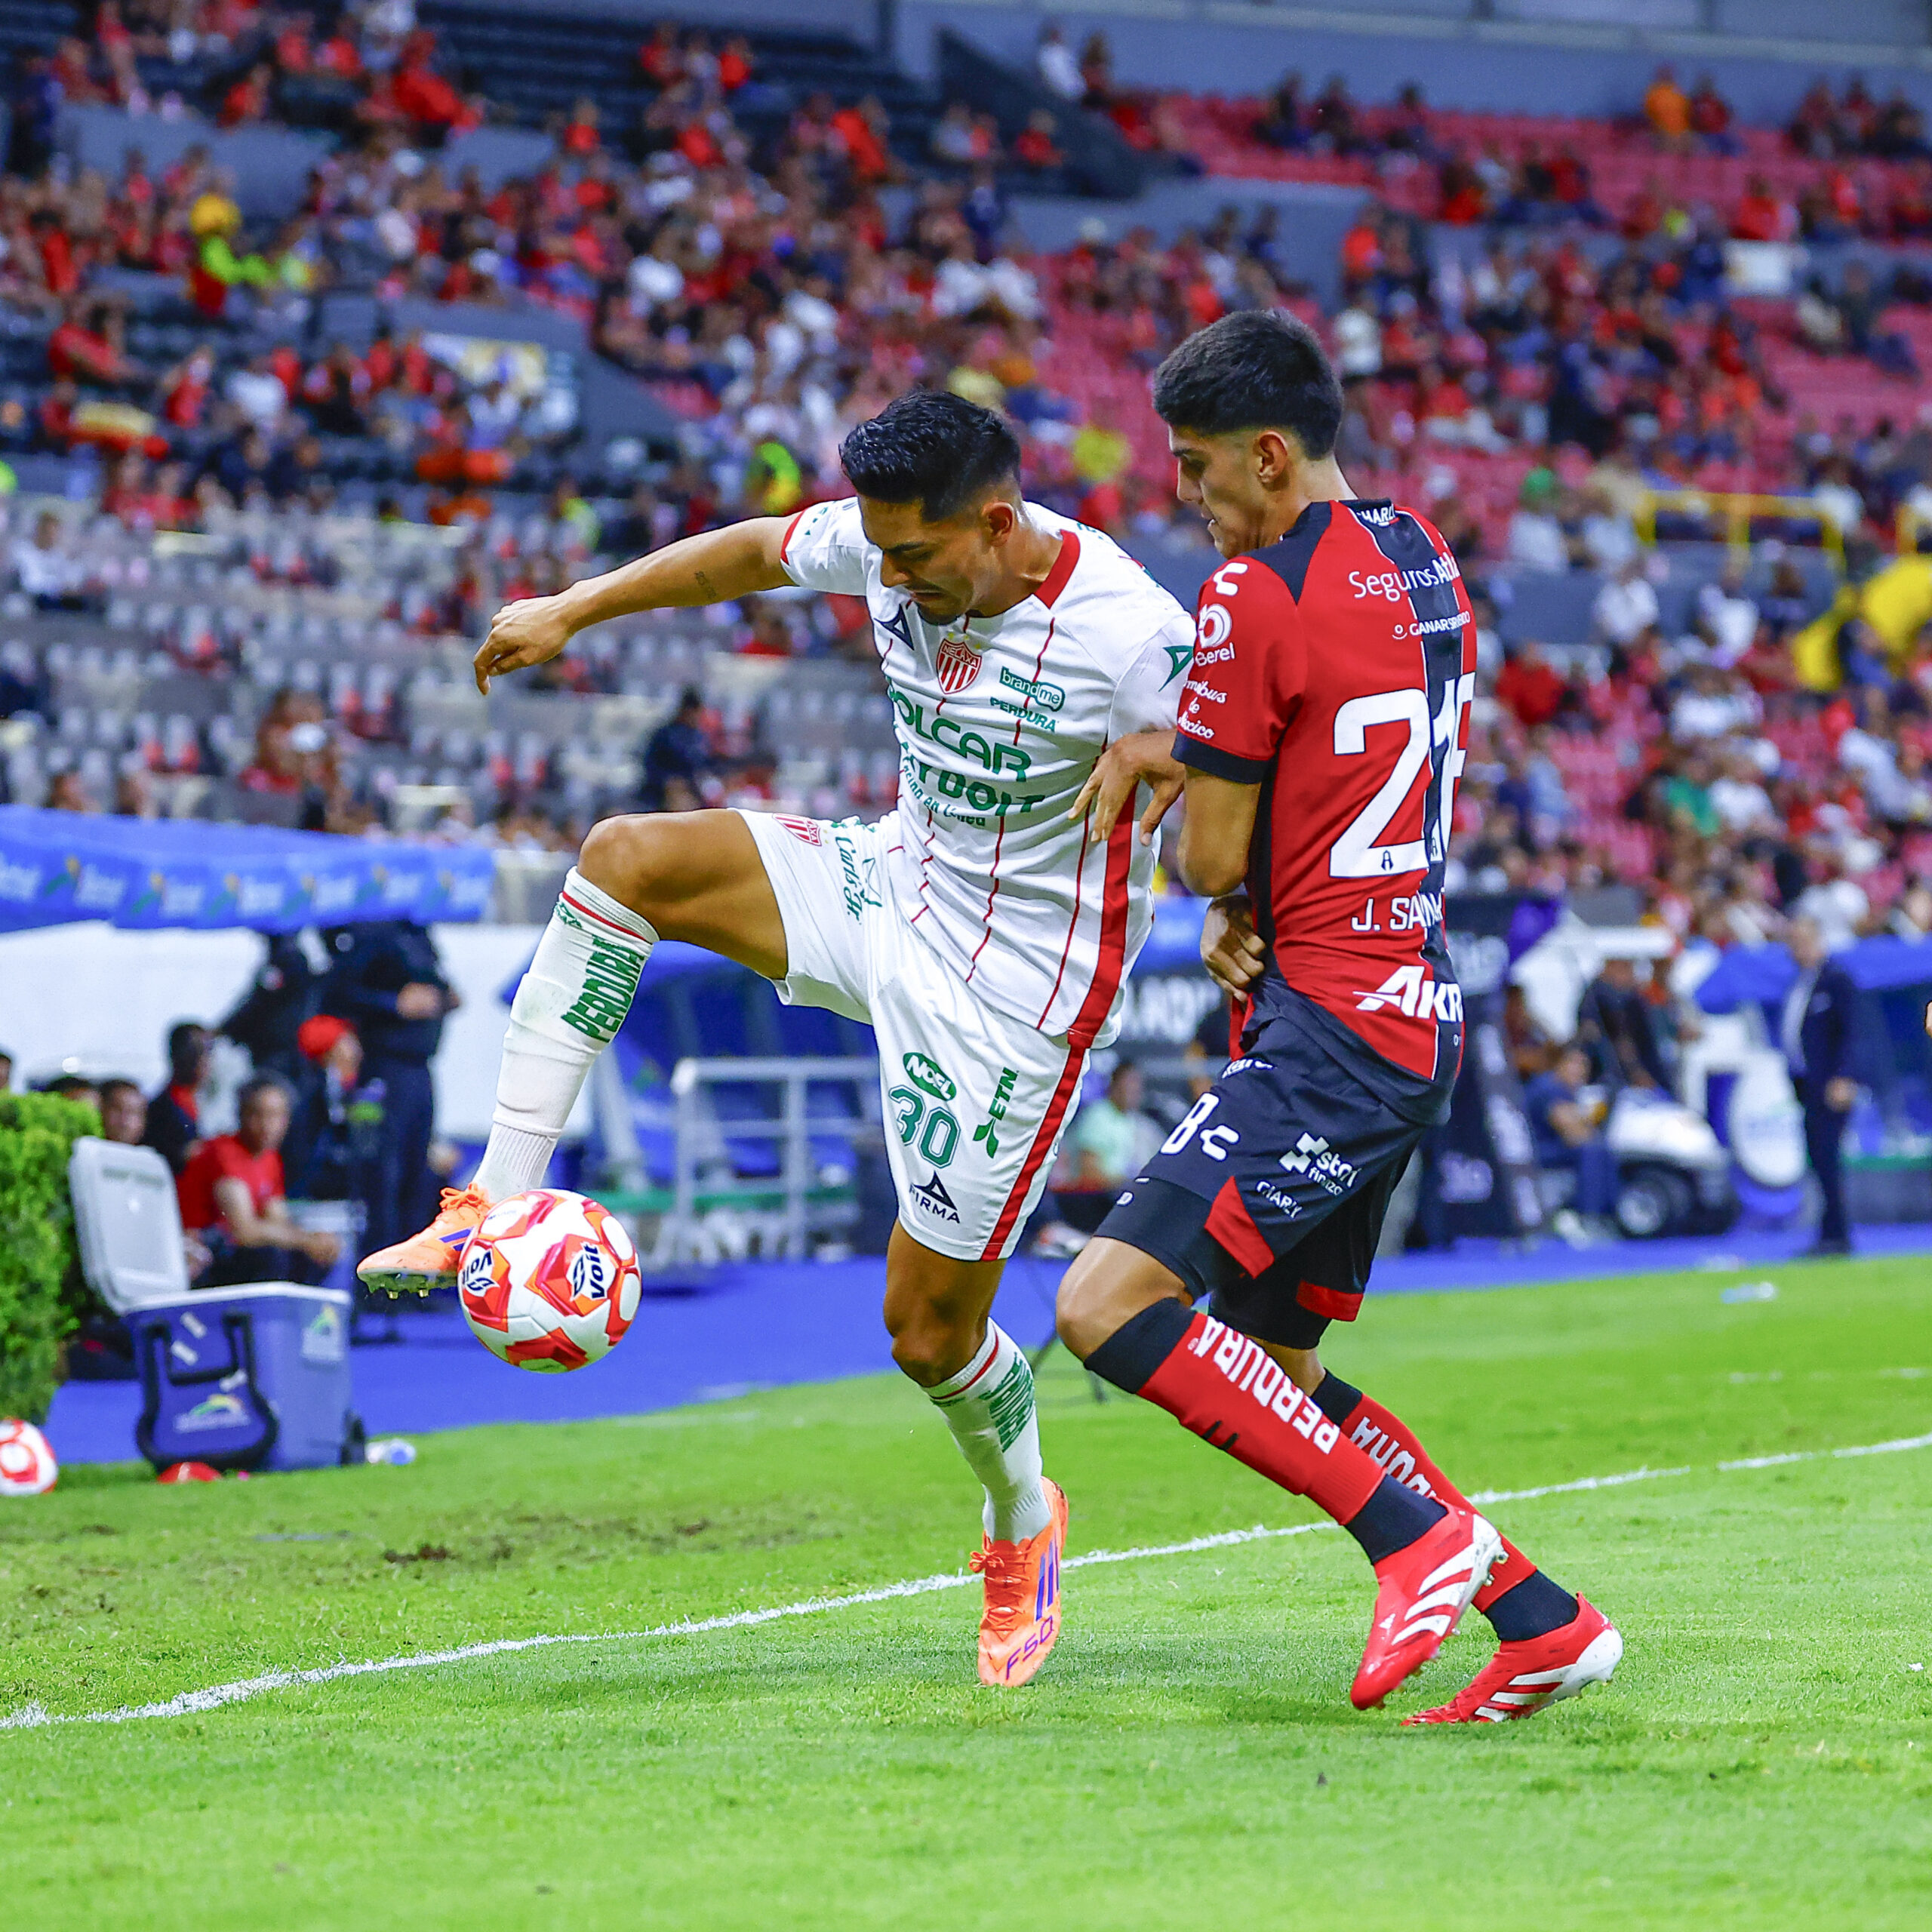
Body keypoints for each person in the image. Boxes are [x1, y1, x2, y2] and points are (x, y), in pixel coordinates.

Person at [358, 388, 1197, 1689]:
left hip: (1015, 1002)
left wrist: (1177, 759)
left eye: (914, 556)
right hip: (891, 885)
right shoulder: (888, 540)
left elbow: (1254, 751)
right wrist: (575, 607)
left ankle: (1023, 1514)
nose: (890, 579)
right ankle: (491, 1201)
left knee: (927, 1334)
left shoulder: (1135, 633)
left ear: (995, 523)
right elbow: (750, 552)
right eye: (880, 553)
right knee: (626, 859)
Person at [1053, 311, 1620, 1724]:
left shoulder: (1252, 591)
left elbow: (1207, 859)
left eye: (1197, 466)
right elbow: (1336, 753)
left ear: (1267, 455)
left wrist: (1190, 812)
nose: (1186, 493)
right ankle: (1541, 1620)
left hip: (1331, 1025)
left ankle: (1410, 1543)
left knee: (1104, 1304)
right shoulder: (1422, 552)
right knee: (1279, 1366)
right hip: (1410, 1000)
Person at [323, 921, 457, 1261]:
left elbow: (437, 989)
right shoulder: (371, 930)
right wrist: (392, 1003)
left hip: (420, 1071)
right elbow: (336, 992)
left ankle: (412, 1268)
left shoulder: (419, 933)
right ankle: (379, 1271)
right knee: (381, 1177)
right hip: (383, 1071)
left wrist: (442, 998)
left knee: (418, 1175)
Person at [176, 1073, 343, 1287]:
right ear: (241, 1115)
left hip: (231, 1252)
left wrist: (316, 1241)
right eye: (258, 1115)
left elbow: (277, 1220)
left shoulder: (270, 1158)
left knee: (319, 1254)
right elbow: (244, 1231)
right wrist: (306, 1240)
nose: (267, 1125)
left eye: (275, 1116)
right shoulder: (224, 1153)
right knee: (271, 1256)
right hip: (200, 1255)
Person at [1781, 916, 1859, 1257]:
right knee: (1818, 1160)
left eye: (1801, 942)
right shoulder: (1802, 983)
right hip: (1807, 1087)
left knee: (1828, 1160)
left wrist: (1845, 1075)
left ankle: (1837, 1235)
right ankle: (1828, 1233)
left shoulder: (1835, 980)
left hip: (1830, 1085)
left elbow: (1853, 1032)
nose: (1795, 950)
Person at [283, 1014, 383, 1211]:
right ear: (330, 1051)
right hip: (320, 1197)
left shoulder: (364, 1085)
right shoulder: (316, 1093)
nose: (355, 1045)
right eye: (346, 1039)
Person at [1523, 1044, 1618, 1236]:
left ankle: (1610, 1216)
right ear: (1559, 1064)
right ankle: (1588, 1217)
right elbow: (1574, 1135)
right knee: (1591, 1151)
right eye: (1574, 1064)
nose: (1580, 1070)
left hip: (1555, 1149)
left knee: (1605, 1150)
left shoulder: (1567, 1090)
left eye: (1583, 1065)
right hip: (1534, 1152)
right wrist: (1586, 1122)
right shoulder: (1548, 1087)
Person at [1575, 952, 1671, 1092]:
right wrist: (1636, 1071)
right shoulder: (1597, 998)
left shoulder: (1631, 997)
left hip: (1642, 1068)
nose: (1632, 974)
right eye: (1627, 968)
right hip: (1613, 1076)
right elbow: (1620, 1043)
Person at [1066, 1060, 1159, 1188]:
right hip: (1100, 1194)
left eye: (1138, 1084)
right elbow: (1088, 1170)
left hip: (1129, 1189)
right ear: (1115, 1085)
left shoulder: (1139, 1122)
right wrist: (1126, 1183)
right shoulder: (1097, 1116)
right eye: (1130, 1083)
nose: (1135, 1089)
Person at [144, 1021, 210, 1174]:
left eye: (208, 1050)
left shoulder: (206, 1102)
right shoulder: (160, 1109)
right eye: (194, 1051)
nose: (203, 1060)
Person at [97, 1078, 149, 1146]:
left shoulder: (148, 1152)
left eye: (132, 1112)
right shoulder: (86, 1147)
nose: (124, 1119)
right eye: (117, 1109)